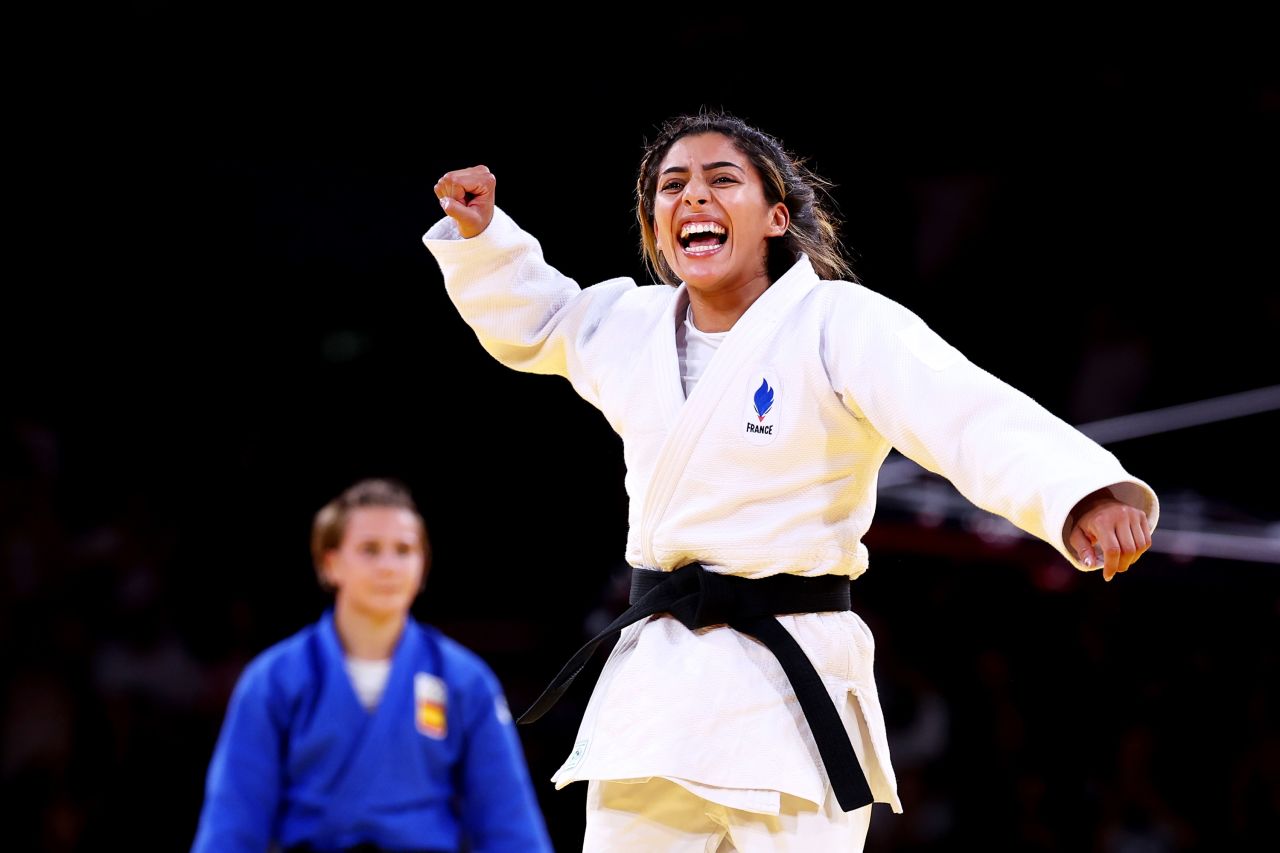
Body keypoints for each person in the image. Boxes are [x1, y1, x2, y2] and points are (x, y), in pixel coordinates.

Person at [424, 111, 1157, 851]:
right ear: (654, 224)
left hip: (789, 689)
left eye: (722, 180)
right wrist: (486, 240)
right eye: (672, 186)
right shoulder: (628, 325)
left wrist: (1081, 491)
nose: (693, 198)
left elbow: (963, 412)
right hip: (657, 697)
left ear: (776, 216)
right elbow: (542, 318)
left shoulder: (839, 324)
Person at [191, 478, 553, 853]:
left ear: (423, 564)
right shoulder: (273, 680)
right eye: (370, 550)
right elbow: (232, 825)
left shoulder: (465, 680)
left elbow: (510, 826)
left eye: (404, 550)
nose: (388, 566)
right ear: (330, 564)